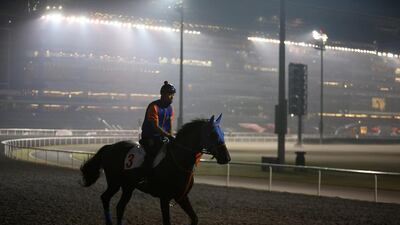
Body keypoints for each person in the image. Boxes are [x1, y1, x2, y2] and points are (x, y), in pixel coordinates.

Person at [140, 81, 176, 173]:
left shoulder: (170, 108)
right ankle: (144, 175)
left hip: (163, 138)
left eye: (173, 95)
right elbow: (155, 126)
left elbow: (170, 126)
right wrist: (168, 135)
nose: (172, 97)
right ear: (163, 94)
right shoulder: (154, 106)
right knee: (152, 155)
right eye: (170, 95)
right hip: (149, 137)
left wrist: (171, 137)